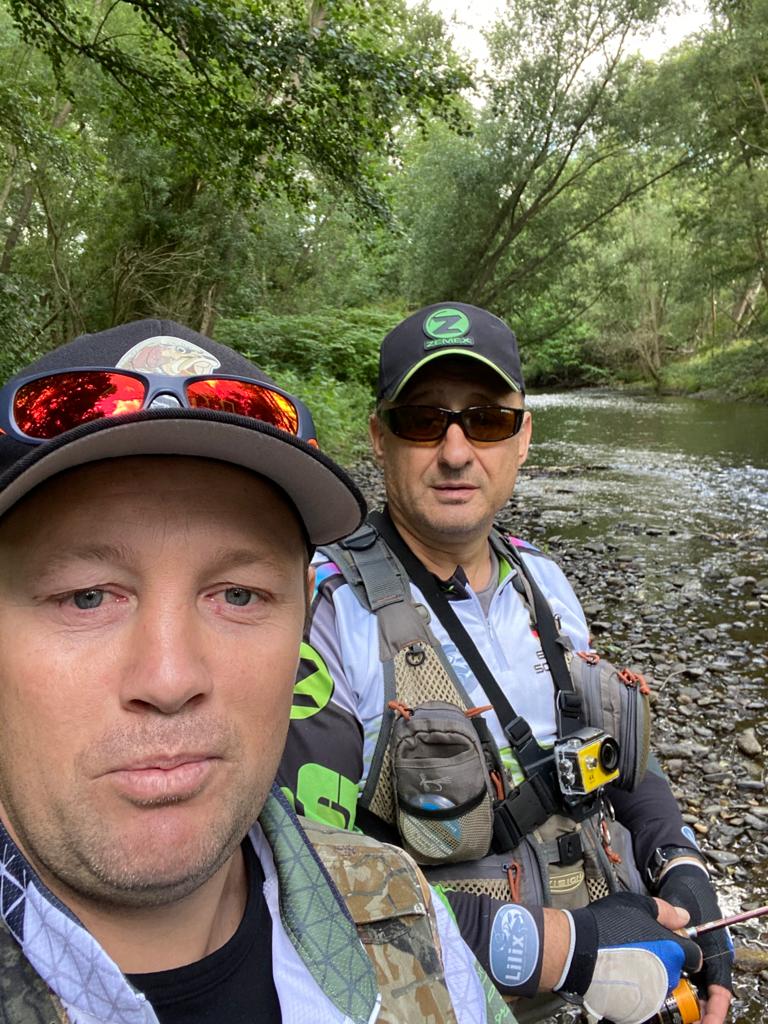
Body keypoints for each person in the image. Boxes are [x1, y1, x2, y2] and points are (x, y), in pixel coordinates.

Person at [0, 318, 523, 1024]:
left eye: (239, 596)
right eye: (86, 597)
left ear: (302, 620)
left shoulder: (406, 917)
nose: (169, 678)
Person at [278, 302, 734, 1024]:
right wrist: (562, 948)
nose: (456, 452)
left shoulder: (544, 583)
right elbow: (306, 886)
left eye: (487, 420)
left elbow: (615, 755)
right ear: (379, 438)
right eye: (423, 420)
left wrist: (679, 866)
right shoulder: (323, 614)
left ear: (523, 438)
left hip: (612, 976)